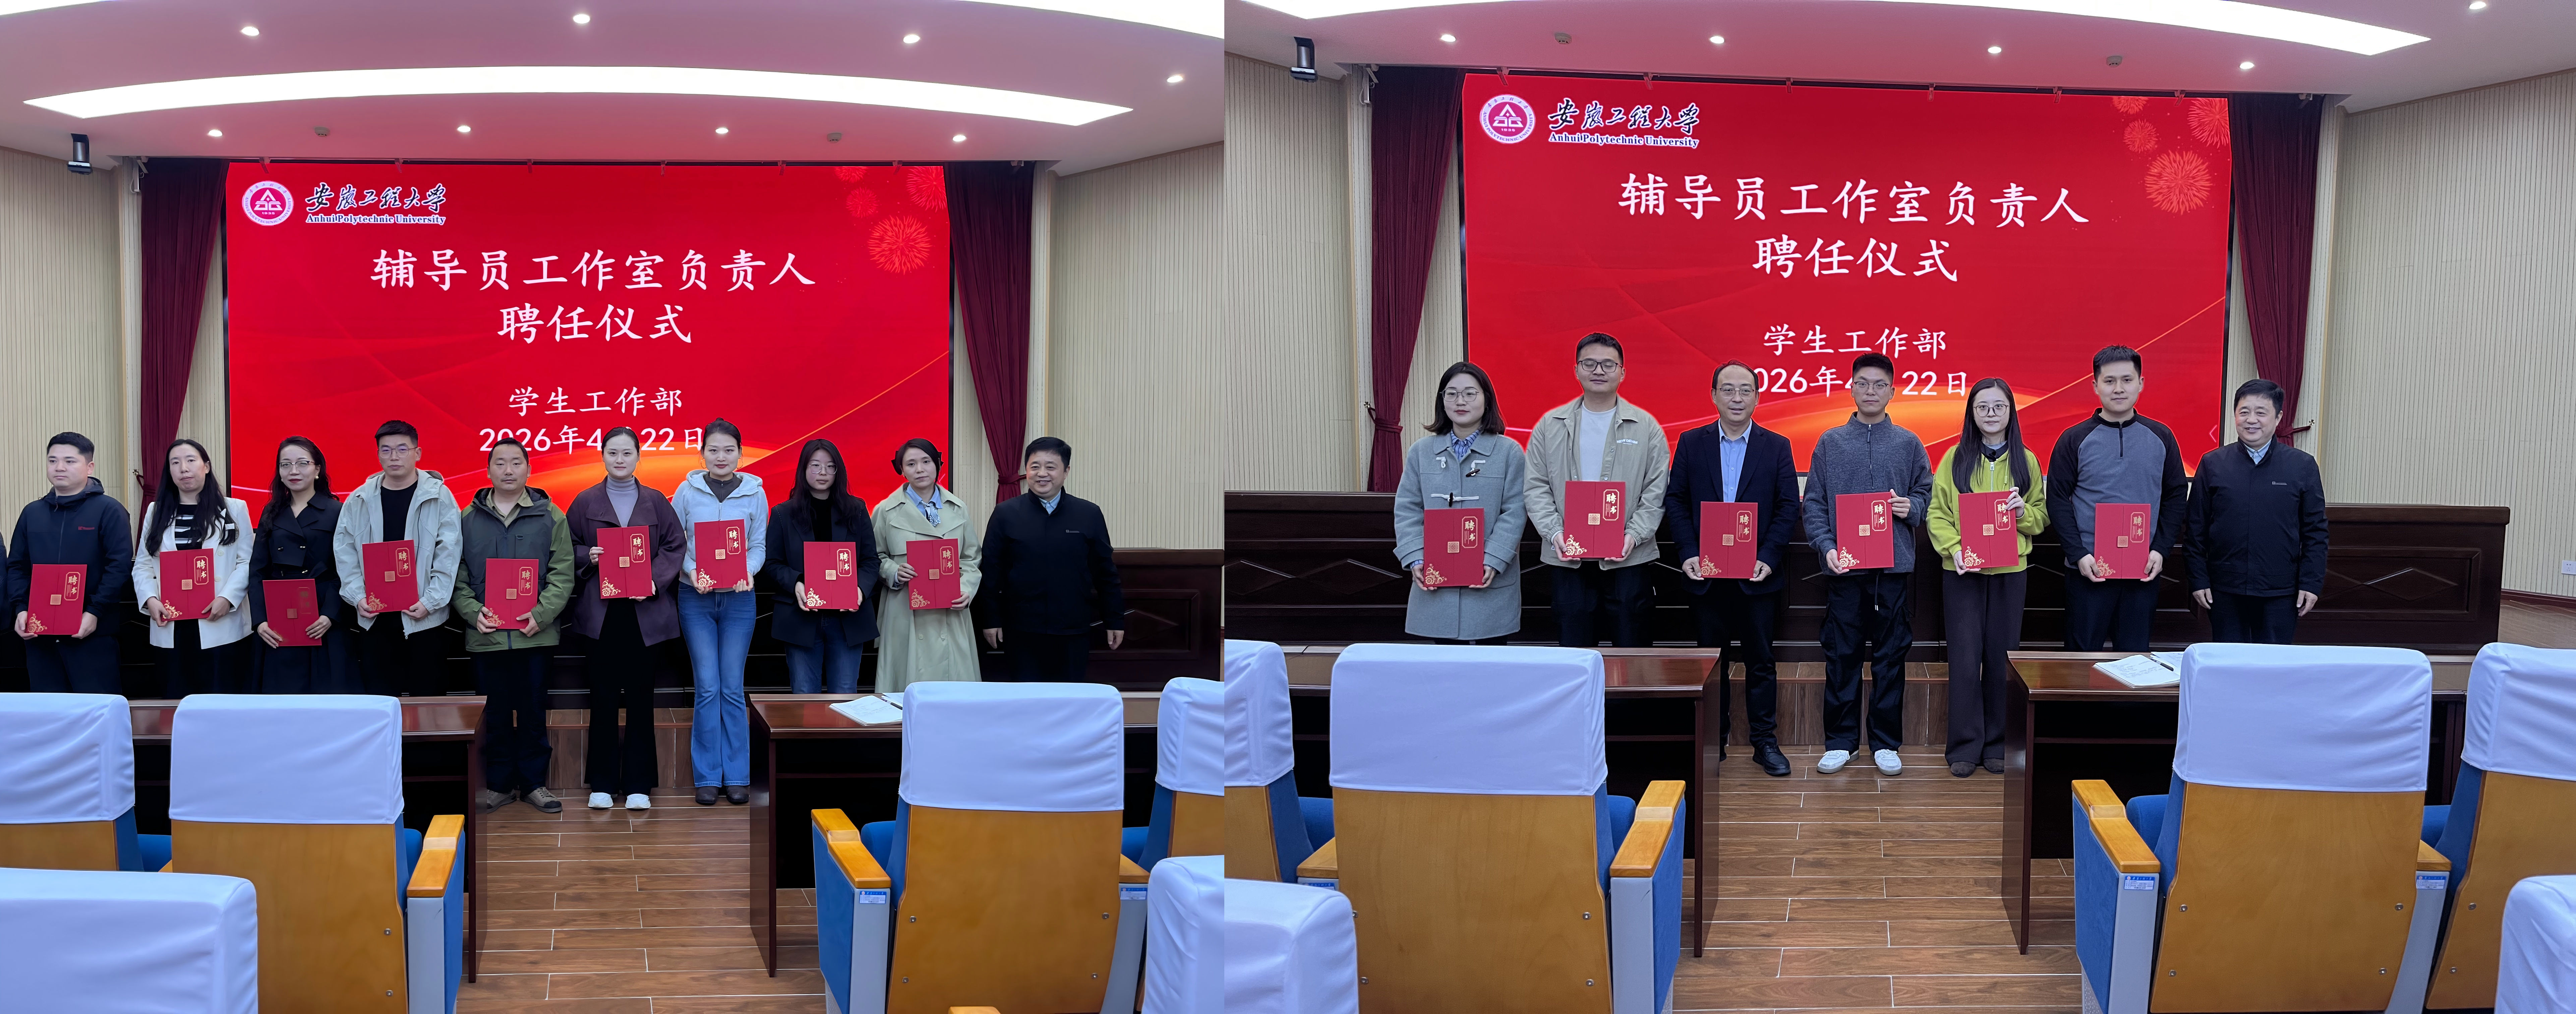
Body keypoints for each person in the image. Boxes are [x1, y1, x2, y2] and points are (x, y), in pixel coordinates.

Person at [1664, 360, 1801, 777]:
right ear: (1713, 396)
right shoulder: (1692, 443)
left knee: (1761, 662)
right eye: (1728, 389)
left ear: (1757, 397)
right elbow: (1676, 501)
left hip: (1756, 575)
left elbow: (1787, 506)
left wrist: (1768, 557)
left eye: (1745, 390)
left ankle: (1765, 743)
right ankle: (1712, 743)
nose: (1737, 398)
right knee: (1711, 664)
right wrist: (1688, 552)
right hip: (1705, 575)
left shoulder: (1776, 445)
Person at [1802, 353, 1932, 778]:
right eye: (1863, 383)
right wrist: (1826, 547)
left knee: (1890, 658)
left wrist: (1911, 507)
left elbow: (1926, 494)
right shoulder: (1831, 442)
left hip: (1892, 572)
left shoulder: (1909, 443)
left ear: (1892, 391)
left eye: (1879, 385)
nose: (1871, 391)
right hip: (1845, 570)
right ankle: (1840, 742)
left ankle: (1885, 743)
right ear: (1851, 389)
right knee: (1841, 656)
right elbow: (1814, 503)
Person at [1927, 380, 2051, 778]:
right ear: (1972, 413)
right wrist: (1954, 550)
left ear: (2011, 412)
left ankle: (1997, 744)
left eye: (1999, 406)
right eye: (1983, 407)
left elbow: (2040, 517)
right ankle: (1964, 747)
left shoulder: (2026, 461)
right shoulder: (1954, 458)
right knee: (1965, 661)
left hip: (2010, 574)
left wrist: (2022, 513)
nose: (1991, 414)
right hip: (1963, 573)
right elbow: (1937, 514)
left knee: (2001, 660)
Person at [450, 438, 576, 814]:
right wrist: (473, 613)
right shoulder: (466, 519)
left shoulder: (550, 515)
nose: (508, 470)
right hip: (486, 636)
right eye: (500, 463)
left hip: (533, 636)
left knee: (534, 713)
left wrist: (541, 615)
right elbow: (455, 574)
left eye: (516, 463)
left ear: (529, 469)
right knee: (495, 716)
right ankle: (499, 785)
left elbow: (563, 572)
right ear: (489, 471)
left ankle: (535, 784)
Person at [1522, 333, 1669, 648]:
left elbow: (1656, 491)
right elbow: (1536, 487)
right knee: (1575, 651)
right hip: (1568, 557)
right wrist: (1555, 533)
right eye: (1589, 364)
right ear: (1576, 370)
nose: (1599, 371)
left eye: (1608, 364)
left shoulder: (1646, 427)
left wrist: (1633, 536)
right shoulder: (1550, 425)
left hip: (1628, 558)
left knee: (1632, 650)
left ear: (1622, 372)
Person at [566, 428, 686, 810]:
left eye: (627, 453)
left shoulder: (656, 501)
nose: (620, 460)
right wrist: (588, 556)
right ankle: (602, 783)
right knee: (601, 698)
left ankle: (638, 784)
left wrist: (653, 580)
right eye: (613, 453)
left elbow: (675, 546)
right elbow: (566, 548)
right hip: (600, 616)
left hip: (643, 614)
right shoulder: (585, 501)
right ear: (602, 456)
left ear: (638, 457)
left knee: (640, 699)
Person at [2045, 346, 2189, 652]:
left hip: (2143, 569)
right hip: (2089, 570)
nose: (2119, 389)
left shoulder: (2162, 436)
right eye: (2109, 381)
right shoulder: (2073, 439)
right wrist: (2078, 554)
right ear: (2095, 386)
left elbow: (2176, 495)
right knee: (2081, 659)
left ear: (2141, 383)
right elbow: (2057, 499)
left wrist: (2161, 549)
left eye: (2127, 380)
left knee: (2134, 658)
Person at [2183, 378, 2328, 644]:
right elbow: (2196, 528)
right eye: (2244, 412)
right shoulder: (2213, 464)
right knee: (2229, 662)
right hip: (2224, 589)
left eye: (2261, 413)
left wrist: (2311, 583)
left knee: (2274, 664)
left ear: (2278, 418)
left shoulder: (2302, 466)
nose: (2252, 420)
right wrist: (2198, 579)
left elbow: (2316, 532)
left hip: (2281, 591)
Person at [1393, 362, 1527, 645]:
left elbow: (1515, 512)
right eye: (1452, 394)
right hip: (1436, 579)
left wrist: (1493, 559)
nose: (1460, 401)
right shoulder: (1421, 452)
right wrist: (1416, 557)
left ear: (1487, 400)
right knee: (1444, 667)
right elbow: (1407, 509)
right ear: (1442, 401)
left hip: (1488, 578)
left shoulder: (1509, 452)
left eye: (1470, 394)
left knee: (1491, 664)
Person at [672, 418, 768, 806]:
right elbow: (675, 543)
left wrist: (749, 571)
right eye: (713, 450)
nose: (721, 457)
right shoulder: (686, 491)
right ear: (702, 454)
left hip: (739, 600)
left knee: (731, 687)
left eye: (729, 450)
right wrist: (692, 572)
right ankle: (708, 777)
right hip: (695, 597)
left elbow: (758, 545)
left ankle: (739, 776)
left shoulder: (755, 492)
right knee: (707, 686)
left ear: (740, 454)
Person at [333, 420, 463, 697]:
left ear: (418, 453)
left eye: (403, 449)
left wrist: (430, 602)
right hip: (375, 619)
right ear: (378, 454)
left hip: (425, 619)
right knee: (381, 703)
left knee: (428, 705)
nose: (394, 456)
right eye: (386, 450)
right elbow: (345, 553)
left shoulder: (439, 496)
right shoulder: (359, 499)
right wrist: (358, 598)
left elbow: (449, 554)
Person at [977, 437, 1124, 680]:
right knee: (1026, 697)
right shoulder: (1005, 514)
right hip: (1021, 628)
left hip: (1073, 628)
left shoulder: (1089, 513)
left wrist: (1115, 620)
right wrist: (990, 620)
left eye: (1051, 467)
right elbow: (991, 572)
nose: (1042, 474)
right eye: (1035, 467)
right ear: (1026, 470)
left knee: (1069, 696)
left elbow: (1105, 572)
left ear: (1066, 471)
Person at [8, 432, 133, 693]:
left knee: (95, 709)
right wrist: (21, 609)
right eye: (53, 461)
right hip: (39, 635)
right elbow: (18, 565)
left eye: (70, 461)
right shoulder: (32, 513)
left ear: (90, 467)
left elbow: (119, 566)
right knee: (48, 710)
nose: (59, 467)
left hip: (91, 632)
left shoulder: (109, 510)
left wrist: (94, 612)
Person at [131, 439, 255, 696]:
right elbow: (143, 564)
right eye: (175, 463)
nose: (184, 469)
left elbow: (246, 562)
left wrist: (227, 598)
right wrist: (150, 599)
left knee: (221, 700)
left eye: (191, 461)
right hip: (171, 623)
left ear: (206, 466)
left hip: (219, 619)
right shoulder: (156, 511)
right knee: (176, 700)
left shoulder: (234, 508)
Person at [764, 439, 880, 694]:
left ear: (839, 471)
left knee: (845, 694)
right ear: (804, 469)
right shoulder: (783, 513)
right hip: (801, 617)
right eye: (815, 466)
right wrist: (797, 582)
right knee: (805, 695)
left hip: (848, 619)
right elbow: (772, 563)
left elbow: (871, 561)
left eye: (830, 466)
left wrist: (859, 590)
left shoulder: (857, 509)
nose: (823, 473)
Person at [872, 438, 981, 692]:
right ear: (901, 469)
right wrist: (893, 571)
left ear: (938, 465)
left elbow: (971, 557)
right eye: (911, 464)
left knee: (953, 693)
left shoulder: (958, 508)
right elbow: (874, 557)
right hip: (905, 609)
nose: (920, 469)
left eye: (926, 462)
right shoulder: (886, 510)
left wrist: (966, 589)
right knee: (907, 690)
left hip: (950, 609)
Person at [249, 436, 356, 693]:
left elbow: (347, 570)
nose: (293, 471)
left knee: (326, 695)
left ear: (317, 468)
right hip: (280, 616)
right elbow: (257, 572)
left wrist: (330, 615)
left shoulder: (338, 511)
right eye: (285, 465)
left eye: (302, 463)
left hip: (322, 615)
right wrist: (260, 621)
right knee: (282, 696)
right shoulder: (271, 512)